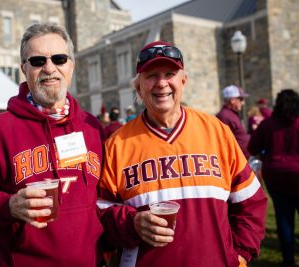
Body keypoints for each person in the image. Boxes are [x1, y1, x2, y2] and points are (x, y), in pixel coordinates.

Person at [97, 41, 267, 267]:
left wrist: (239, 254)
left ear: (183, 81)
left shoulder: (216, 132)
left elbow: (250, 200)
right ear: (138, 87)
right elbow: (100, 215)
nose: (162, 83)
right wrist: (132, 223)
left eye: (170, 74)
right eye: (151, 76)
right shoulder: (117, 144)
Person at [0, 23, 105, 266]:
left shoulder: (92, 128)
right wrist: (8, 205)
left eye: (59, 58)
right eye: (37, 61)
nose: (49, 68)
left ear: (72, 66)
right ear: (24, 68)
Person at [248, 89, 299, 267]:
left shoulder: (268, 124)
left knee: (284, 219)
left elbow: (253, 147)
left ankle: (288, 259)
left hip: (277, 176)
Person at [216, 85, 250, 158]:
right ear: (232, 100)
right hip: (235, 161)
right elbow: (224, 143)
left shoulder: (231, 114)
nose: (243, 103)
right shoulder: (224, 116)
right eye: (241, 99)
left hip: (241, 159)